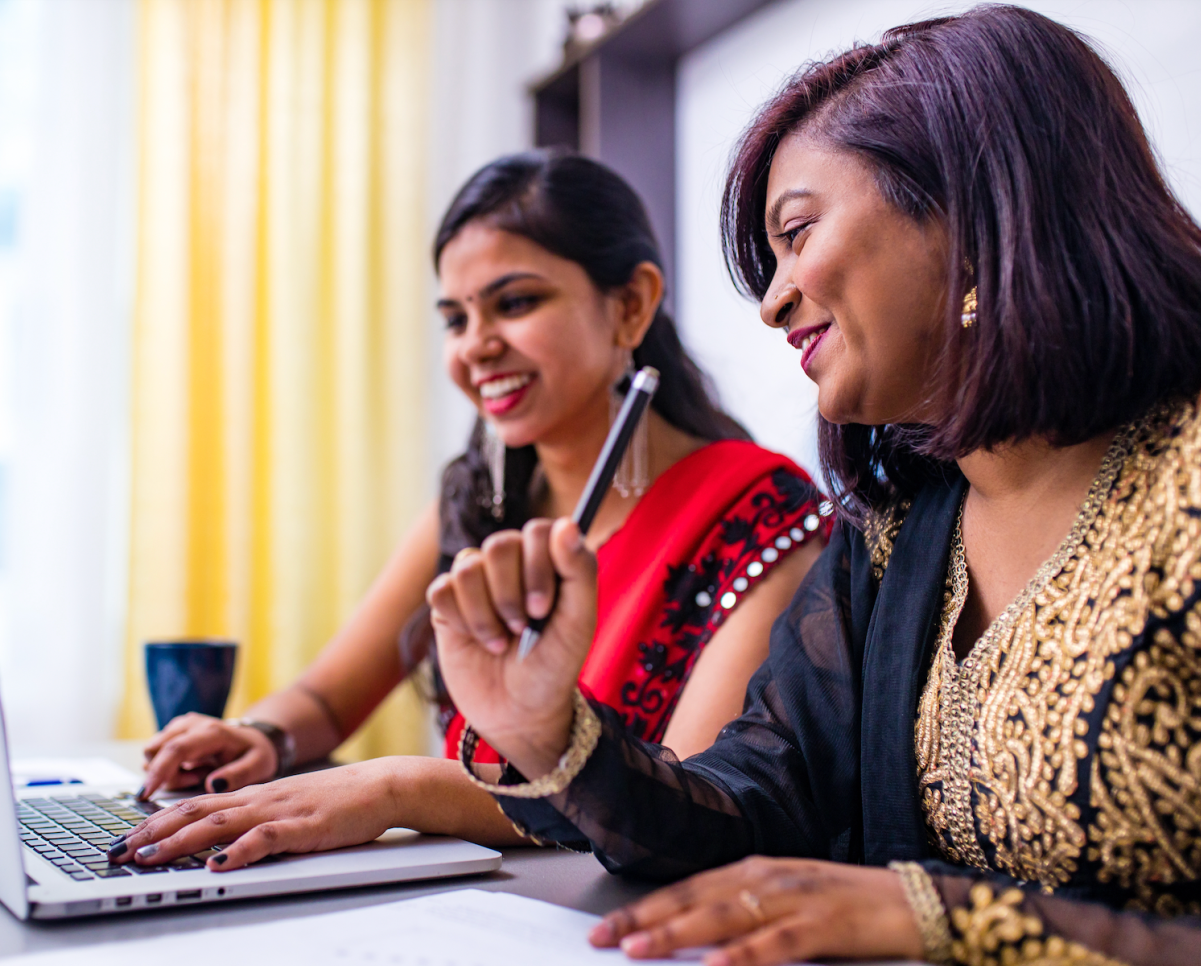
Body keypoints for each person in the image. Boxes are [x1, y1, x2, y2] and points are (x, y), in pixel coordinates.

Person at [426, 8, 1201, 966]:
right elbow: (753, 810)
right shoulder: (893, 536)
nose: (771, 300)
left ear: (972, 211)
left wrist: (946, 918)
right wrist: (552, 735)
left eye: (797, 234)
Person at [109, 151, 827, 870]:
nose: (477, 346)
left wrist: (398, 786)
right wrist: (265, 735)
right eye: (456, 317)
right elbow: (328, 701)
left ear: (632, 304)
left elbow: (697, 802)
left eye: (514, 303)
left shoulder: (761, 513)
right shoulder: (478, 500)